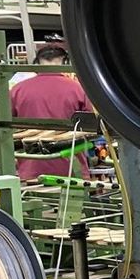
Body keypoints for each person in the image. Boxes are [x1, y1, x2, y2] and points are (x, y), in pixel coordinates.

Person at [9, 43, 91, 181]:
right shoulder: (78, 89)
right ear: (65, 62)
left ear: (37, 63)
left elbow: (6, 129)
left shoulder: (17, 90)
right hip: (70, 172)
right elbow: (91, 127)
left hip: (30, 171)